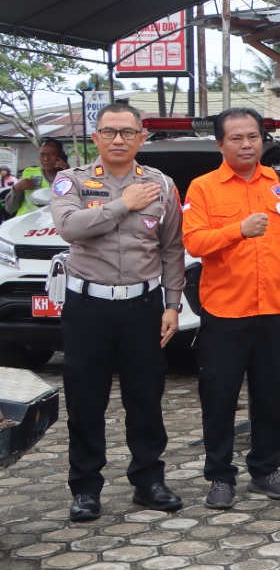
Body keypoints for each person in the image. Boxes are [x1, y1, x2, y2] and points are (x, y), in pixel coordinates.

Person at [49, 103, 185, 522]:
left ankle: (148, 480)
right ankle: (86, 489)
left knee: (145, 398)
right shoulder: (70, 181)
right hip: (87, 307)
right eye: (109, 132)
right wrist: (122, 204)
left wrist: (172, 304)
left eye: (128, 132)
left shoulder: (161, 185)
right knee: (86, 400)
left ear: (142, 137)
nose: (118, 140)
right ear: (95, 138)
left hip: (143, 306)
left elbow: (171, 249)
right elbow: (70, 228)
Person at [183, 107, 280, 508]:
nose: (246, 144)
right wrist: (236, 230)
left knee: (273, 394)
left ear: (263, 140)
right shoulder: (203, 188)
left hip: (276, 309)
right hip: (225, 313)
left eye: (253, 137)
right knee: (220, 397)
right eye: (237, 138)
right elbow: (194, 242)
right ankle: (220, 476)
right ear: (220, 143)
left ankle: (265, 468)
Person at [7, 138, 70, 216]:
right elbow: (10, 209)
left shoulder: (69, 176)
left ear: (61, 156)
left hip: (52, 225)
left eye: (51, 154)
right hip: (25, 223)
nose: (46, 159)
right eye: (42, 154)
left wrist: (68, 173)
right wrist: (16, 189)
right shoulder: (28, 173)